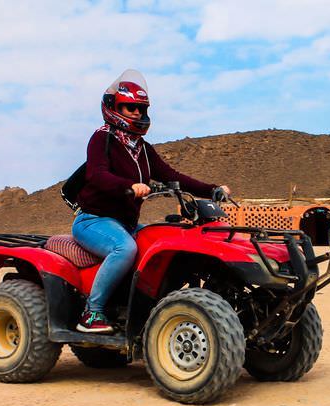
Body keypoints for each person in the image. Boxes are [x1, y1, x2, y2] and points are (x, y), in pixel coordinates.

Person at [72, 69, 231, 333]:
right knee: (124, 249)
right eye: (129, 107)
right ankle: (92, 312)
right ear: (113, 107)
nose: (136, 113)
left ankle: (144, 309)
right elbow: (97, 175)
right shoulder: (103, 139)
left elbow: (172, 176)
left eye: (140, 108)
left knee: (159, 241)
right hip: (93, 220)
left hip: (125, 223)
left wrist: (213, 189)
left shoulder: (143, 150)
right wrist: (129, 186)